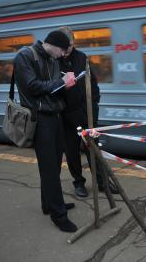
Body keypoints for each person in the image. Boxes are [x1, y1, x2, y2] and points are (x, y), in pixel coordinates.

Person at [13, 30, 78, 232]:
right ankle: (59, 215)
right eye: (62, 51)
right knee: (49, 168)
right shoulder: (24, 56)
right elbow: (32, 86)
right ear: (55, 46)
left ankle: (48, 204)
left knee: (55, 165)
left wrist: (64, 84)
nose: (63, 56)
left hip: (55, 116)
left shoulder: (51, 58)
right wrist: (61, 82)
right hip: (41, 120)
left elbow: (50, 87)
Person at [58, 26, 118, 198]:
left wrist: (95, 103)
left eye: (68, 46)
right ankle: (78, 183)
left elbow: (92, 82)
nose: (66, 50)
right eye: (63, 47)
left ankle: (102, 181)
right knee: (72, 153)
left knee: (94, 150)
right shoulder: (54, 61)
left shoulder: (81, 57)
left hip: (87, 114)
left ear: (73, 42)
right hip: (67, 118)